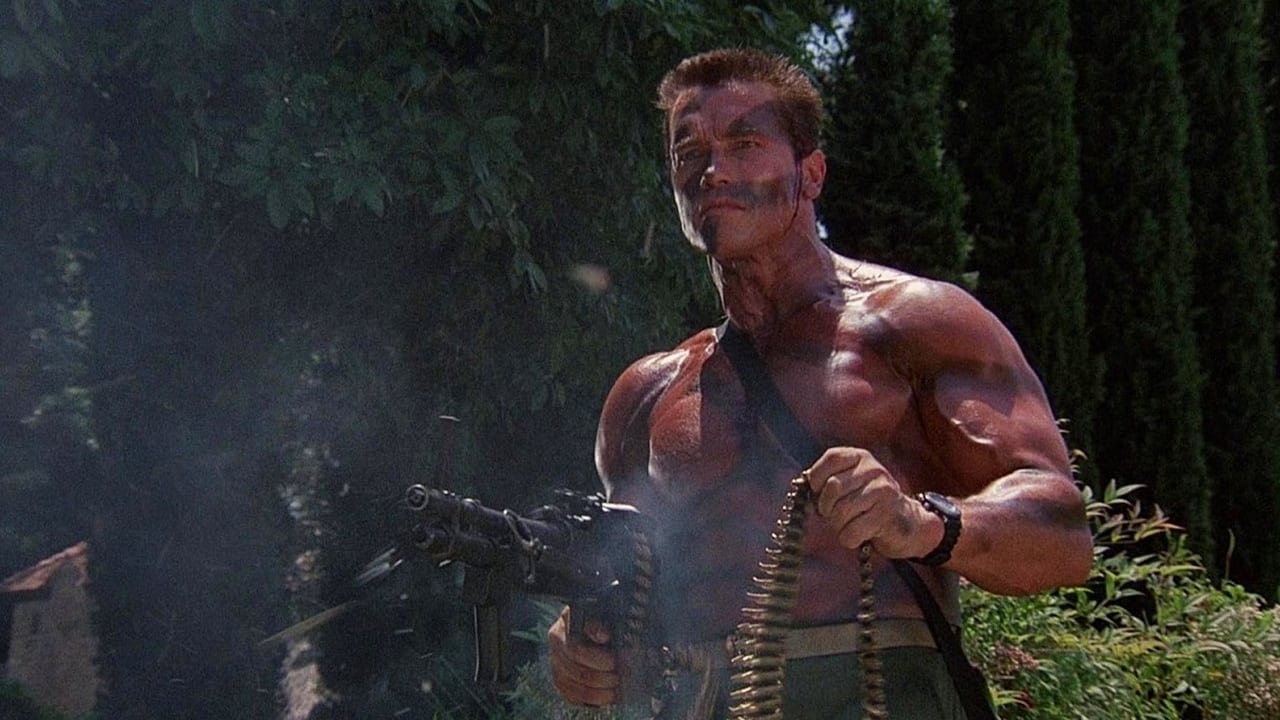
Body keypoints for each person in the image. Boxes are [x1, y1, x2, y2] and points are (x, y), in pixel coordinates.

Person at [547, 47, 1093, 719]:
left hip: (879, 695)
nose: (714, 171)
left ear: (811, 173)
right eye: (689, 153)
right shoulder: (647, 395)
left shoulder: (915, 325)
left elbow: (1061, 534)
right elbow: (629, 587)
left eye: (745, 144)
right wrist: (584, 644)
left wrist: (921, 522)